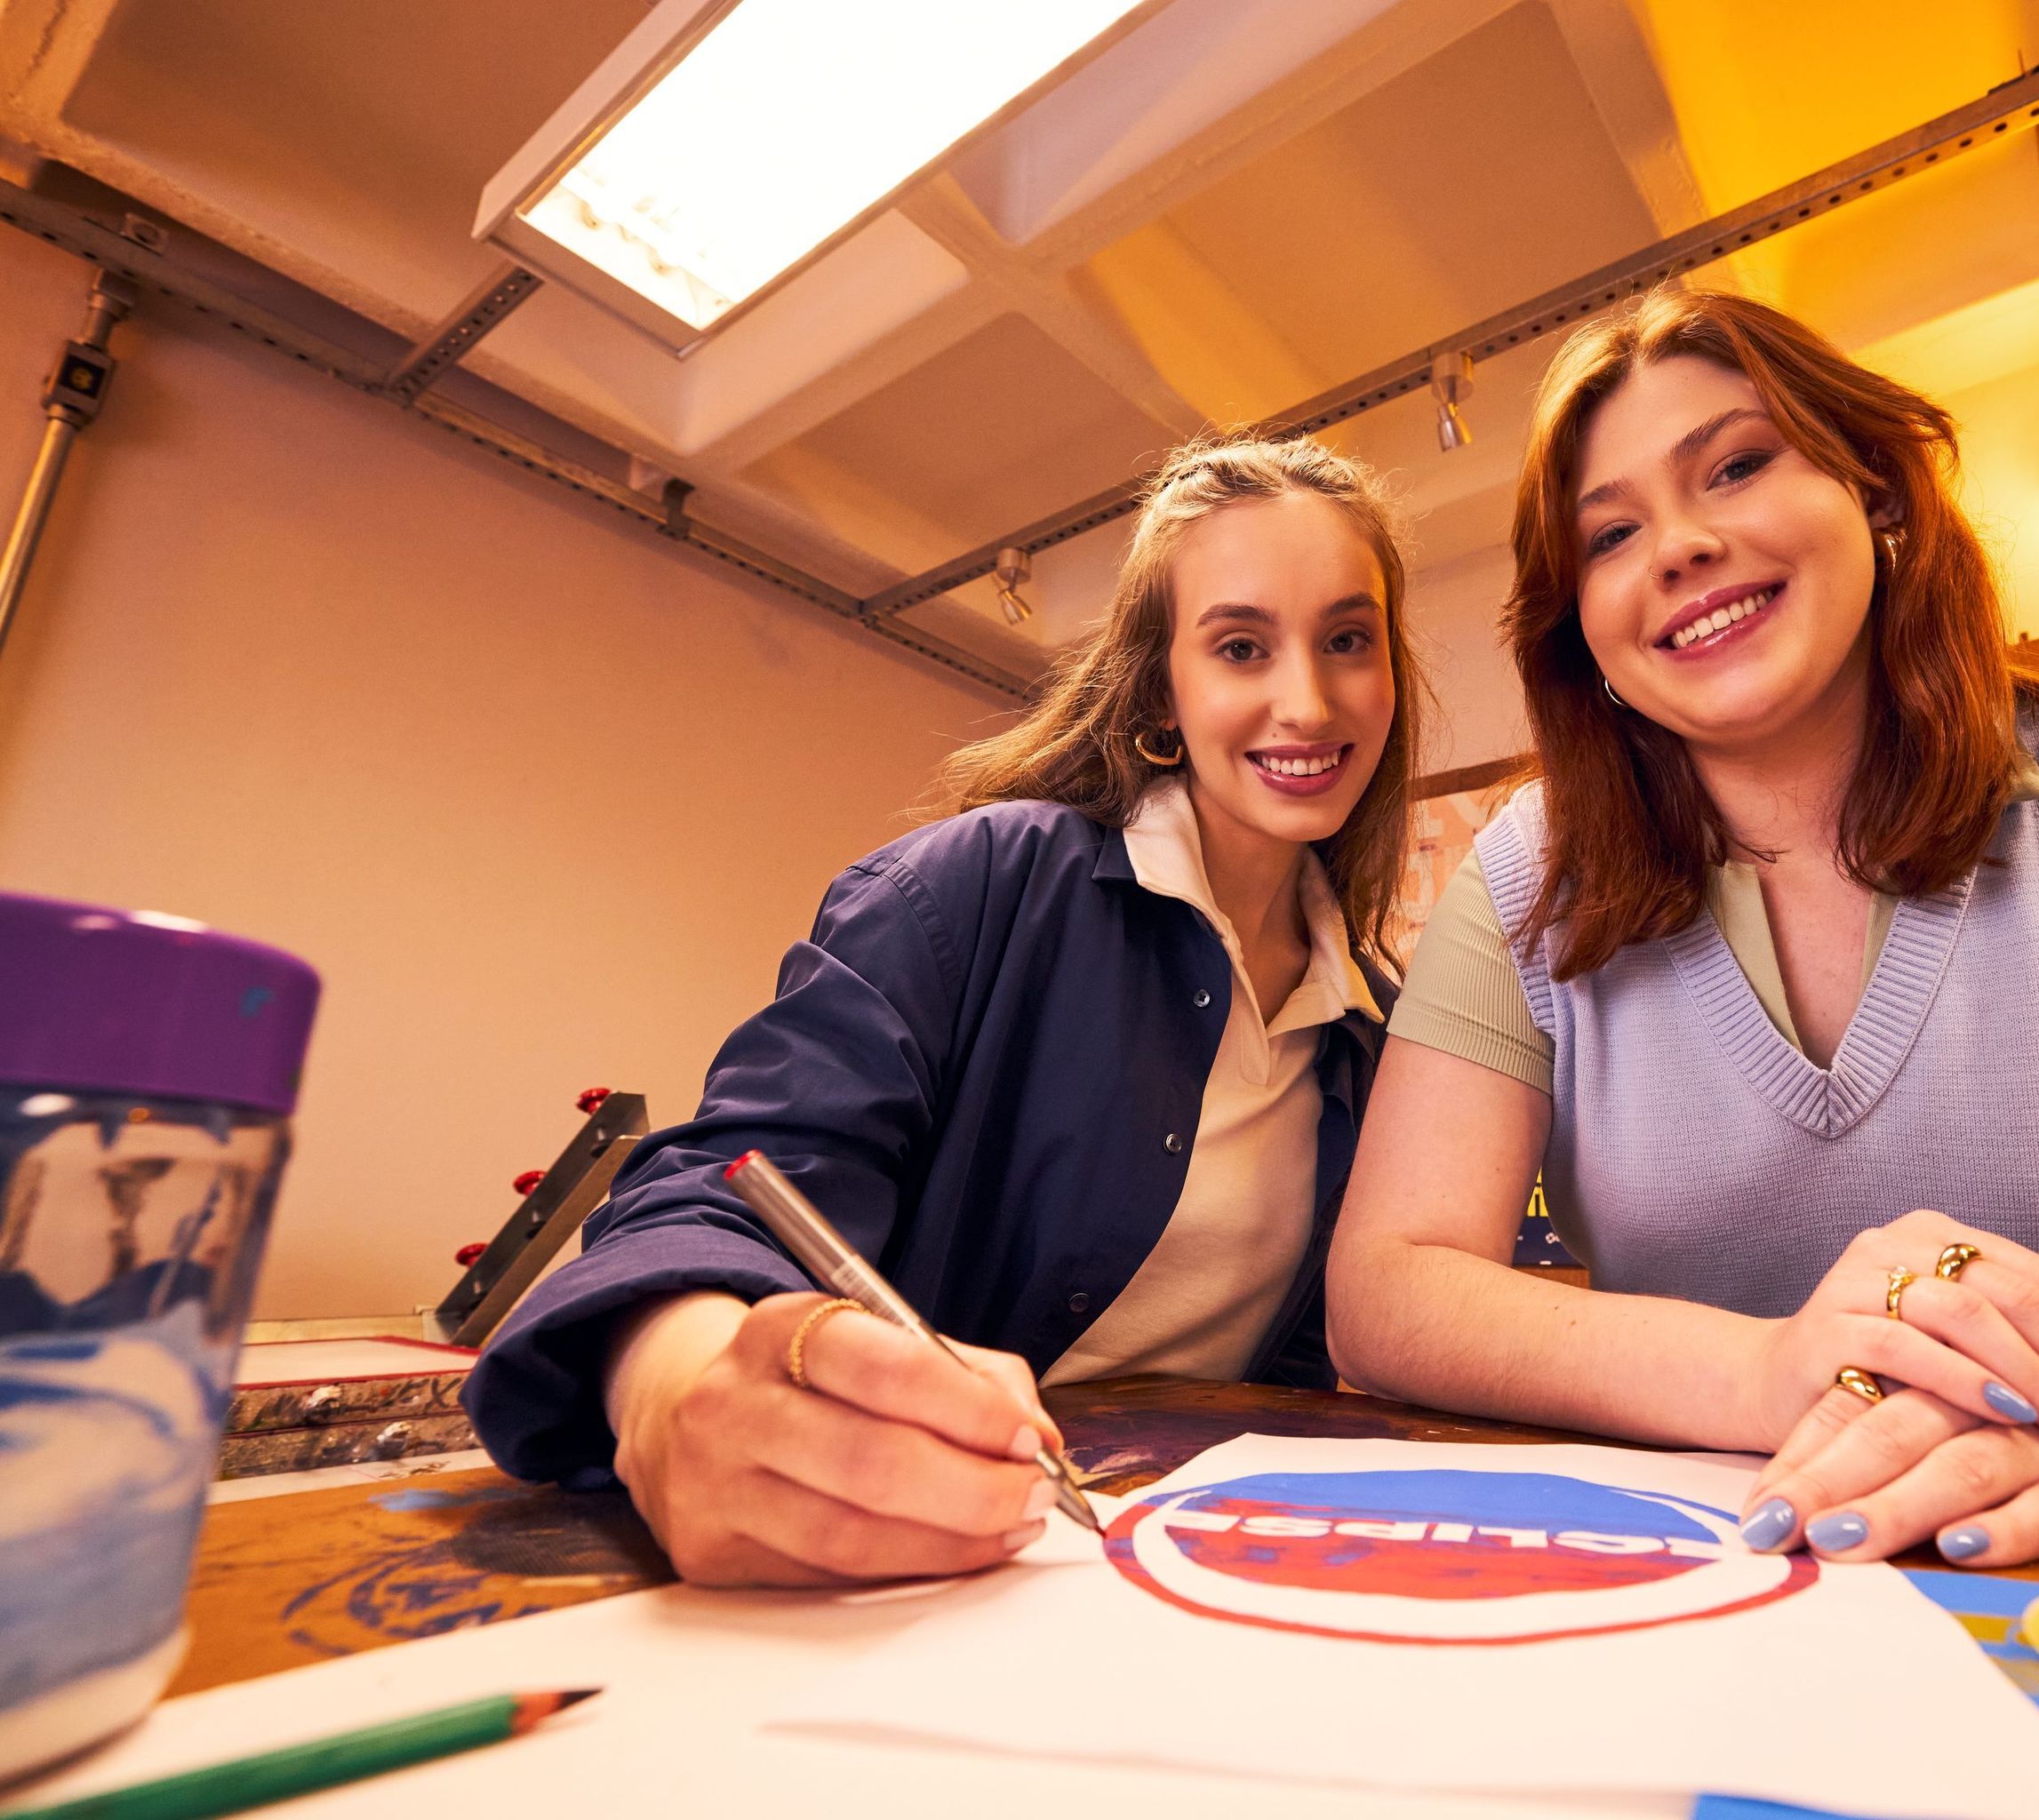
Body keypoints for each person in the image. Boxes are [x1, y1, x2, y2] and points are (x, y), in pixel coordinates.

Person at [1326, 288, 2039, 1568]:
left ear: (1875, 490)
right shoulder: (1524, 878)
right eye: (1611, 535)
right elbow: (1388, 1289)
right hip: (1706, 1563)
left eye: (1737, 466)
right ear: (1581, 630)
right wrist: (1767, 1372)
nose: (1680, 548)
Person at [465, 435, 1422, 1586]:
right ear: (1162, 692)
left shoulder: (1375, 1031)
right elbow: (706, 1193)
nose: (1307, 701)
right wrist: (677, 1384)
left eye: (1348, 640)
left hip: (1170, 1578)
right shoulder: (972, 887)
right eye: (1239, 647)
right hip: (906, 1572)